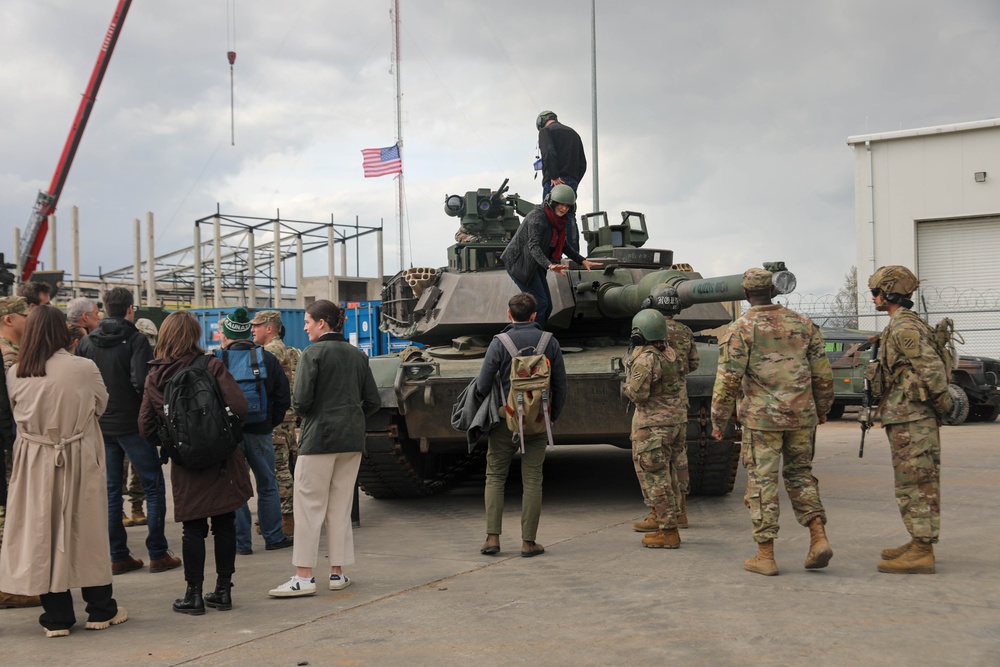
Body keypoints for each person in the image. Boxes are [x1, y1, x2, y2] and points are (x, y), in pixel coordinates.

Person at [0, 305, 127, 636]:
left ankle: (56, 617)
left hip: (33, 459)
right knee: (86, 529)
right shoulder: (82, 367)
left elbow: (15, 414)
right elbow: (101, 404)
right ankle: (101, 610)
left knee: (43, 531)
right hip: (77, 453)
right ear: (62, 331)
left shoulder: (16, 372)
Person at [710, 268, 834, 576]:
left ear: (746, 294)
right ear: (774, 292)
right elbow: (822, 373)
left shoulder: (742, 328)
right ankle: (818, 536)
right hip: (802, 416)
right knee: (801, 475)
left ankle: (765, 555)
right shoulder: (803, 324)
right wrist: (822, 407)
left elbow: (728, 380)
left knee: (763, 482)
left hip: (762, 420)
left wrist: (718, 421)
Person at [139, 311, 253, 614]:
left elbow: (146, 427)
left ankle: (193, 595)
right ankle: (223, 591)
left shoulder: (155, 375)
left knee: (193, 528)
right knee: (225, 522)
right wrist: (221, 433)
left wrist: (174, 443)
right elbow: (240, 407)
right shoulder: (211, 365)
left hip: (186, 461)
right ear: (195, 335)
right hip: (223, 458)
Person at [268, 300, 380, 597]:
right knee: (340, 507)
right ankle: (337, 573)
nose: (304, 327)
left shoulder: (312, 354)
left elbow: (301, 401)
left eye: (307, 322)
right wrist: (350, 417)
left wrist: (314, 416)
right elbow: (373, 401)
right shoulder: (358, 355)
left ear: (322, 323)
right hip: (351, 439)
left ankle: (303, 576)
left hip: (319, 439)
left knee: (308, 506)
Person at [76, 287, 180, 575]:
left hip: (101, 425)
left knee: (111, 492)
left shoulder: (87, 344)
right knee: (153, 486)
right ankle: (158, 553)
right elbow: (142, 382)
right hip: (133, 426)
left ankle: (118, 555)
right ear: (130, 309)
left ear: (104, 308)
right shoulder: (135, 340)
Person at [867, 266, 954, 575]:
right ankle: (918, 540)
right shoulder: (902, 323)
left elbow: (931, 371)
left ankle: (922, 549)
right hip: (907, 415)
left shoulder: (904, 327)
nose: (874, 298)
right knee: (911, 480)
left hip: (912, 416)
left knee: (917, 481)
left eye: (876, 292)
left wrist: (940, 409)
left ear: (888, 293)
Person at [474, 292, 567, 558]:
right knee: (533, 481)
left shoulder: (499, 342)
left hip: (506, 419)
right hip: (538, 421)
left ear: (509, 314)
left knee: (495, 477)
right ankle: (528, 542)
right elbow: (561, 383)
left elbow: (482, 384)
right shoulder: (549, 341)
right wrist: (551, 415)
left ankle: (492, 537)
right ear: (534, 315)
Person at [217, 308, 292, 555]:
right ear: (247, 333)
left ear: (228, 333)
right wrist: (269, 422)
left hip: (231, 434)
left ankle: (242, 544)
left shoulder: (217, 361)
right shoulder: (266, 359)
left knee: (236, 486)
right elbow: (283, 397)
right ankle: (273, 537)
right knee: (267, 484)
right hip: (260, 431)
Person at [632, 287, 700, 532]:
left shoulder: (647, 332)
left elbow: (639, 382)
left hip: (653, 408)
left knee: (649, 461)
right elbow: (692, 363)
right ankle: (680, 510)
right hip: (678, 401)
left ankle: (658, 512)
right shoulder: (685, 331)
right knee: (677, 457)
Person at [623, 309, 685, 549]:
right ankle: (667, 518)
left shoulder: (646, 358)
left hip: (653, 427)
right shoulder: (671, 352)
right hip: (675, 422)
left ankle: (667, 531)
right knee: (668, 474)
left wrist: (626, 383)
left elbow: (638, 394)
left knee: (655, 478)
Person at [499, 185, 602, 328]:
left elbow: (564, 245)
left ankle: (537, 333)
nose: (564, 208)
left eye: (568, 206)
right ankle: (532, 337)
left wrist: (582, 260)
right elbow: (533, 246)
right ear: (551, 202)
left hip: (535, 263)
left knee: (547, 305)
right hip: (520, 263)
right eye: (561, 204)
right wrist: (549, 265)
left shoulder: (558, 221)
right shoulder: (538, 217)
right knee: (540, 304)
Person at [0, 296, 41, 609]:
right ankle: (6, 588)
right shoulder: (7, 356)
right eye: (24, 315)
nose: (29, 321)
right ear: (8, 320)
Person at [251, 310, 302, 537]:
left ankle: (284, 520)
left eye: (257, 326)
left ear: (269, 329)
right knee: (287, 468)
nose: (253, 330)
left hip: (275, 422)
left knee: (277, 471)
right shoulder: (294, 353)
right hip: (290, 421)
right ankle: (275, 518)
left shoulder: (267, 353)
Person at [536, 110, 586, 254]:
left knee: (548, 217)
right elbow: (583, 163)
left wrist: (555, 177)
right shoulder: (574, 134)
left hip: (554, 182)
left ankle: (549, 257)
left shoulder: (545, 131)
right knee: (569, 216)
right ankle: (573, 256)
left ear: (541, 121)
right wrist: (574, 181)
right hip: (571, 181)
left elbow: (548, 154)